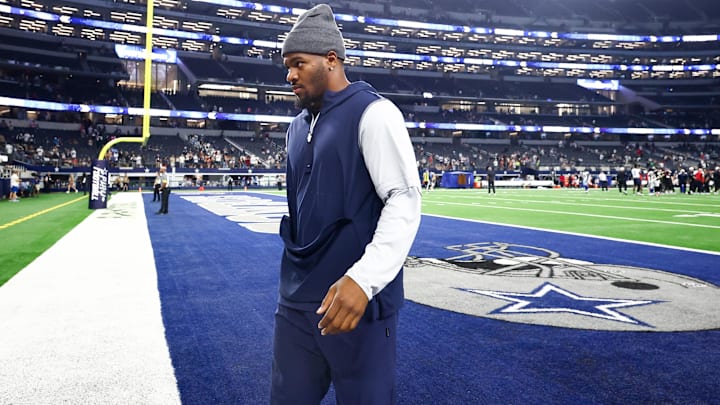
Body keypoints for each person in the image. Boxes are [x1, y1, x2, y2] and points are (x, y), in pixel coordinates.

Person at [273, 5, 422, 404]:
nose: (289, 75)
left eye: (299, 63)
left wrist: (364, 280)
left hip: (358, 305)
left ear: (331, 60)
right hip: (296, 305)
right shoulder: (295, 127)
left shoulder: (374, 113)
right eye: (288, 65)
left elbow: (404, 200)